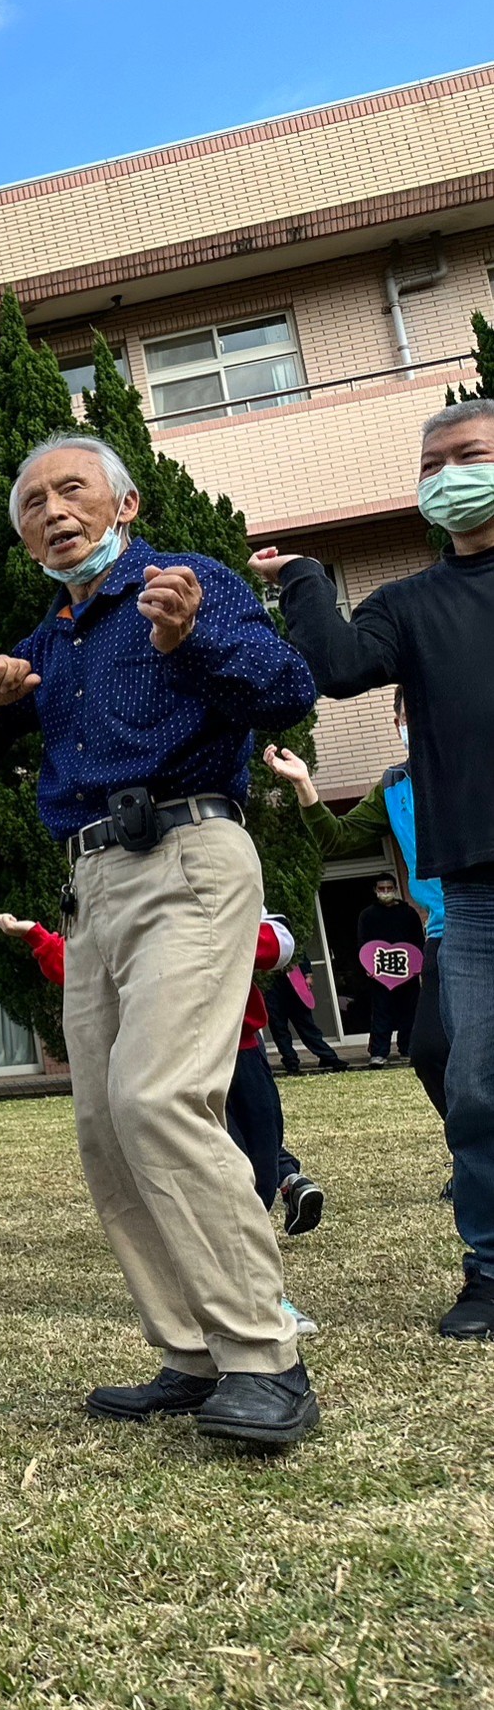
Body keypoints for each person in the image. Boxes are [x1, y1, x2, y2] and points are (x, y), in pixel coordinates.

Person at [0, 432, 319, 1448]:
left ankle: (265, 1355)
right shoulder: (53, 635)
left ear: (127, 504)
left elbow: (286, 692)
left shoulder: (190, 587)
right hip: (91, 884)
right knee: (107, 1128)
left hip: (189, 853)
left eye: (74, 491)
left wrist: (194, 640)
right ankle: (193, 1354)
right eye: (33, 504)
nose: (53, 512)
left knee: (158, 1097)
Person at [256, 399, 494, 1341]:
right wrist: (308, 579)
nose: (445, 474)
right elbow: (340, 668)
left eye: (468, 455)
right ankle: (488, 1267)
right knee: (475, 1086)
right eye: (430, 463)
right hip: (473, 889)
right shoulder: (407, 603)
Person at [0, 910, 327, 1316]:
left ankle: (255, 1264)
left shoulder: (215, 884)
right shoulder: (126, 903)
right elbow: (84, 972)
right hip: (174, 1058)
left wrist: (206, 933)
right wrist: (38, 938)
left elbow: (279, 943)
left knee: (261, 1167)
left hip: (240, 1049)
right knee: (223, 1180)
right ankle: (259, 1298)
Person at [264, 708, 442, 1109]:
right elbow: (337, 839)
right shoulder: (394, 786)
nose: (413, 725)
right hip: (443, 932)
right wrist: (305, 785)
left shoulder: (471, 763)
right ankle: (474, 1157)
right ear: (397, 725)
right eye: (405, 717)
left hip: (483, 914)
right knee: (431, 1052)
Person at [353, 874, 427, 1069]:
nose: (385, 892)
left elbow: (418, 941)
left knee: (410, 1011)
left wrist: (417, 966)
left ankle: (408, 1048)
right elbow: (363, 944)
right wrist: (368, 968)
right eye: (381, 889)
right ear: (375, 890)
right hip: (379, 973)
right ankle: (379, 1052)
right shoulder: (367, 915)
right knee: (381, 1012)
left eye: (388, 888)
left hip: (407, 972)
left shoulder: (408, 913)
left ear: (395, 889)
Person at [263, 965, 348, 1077]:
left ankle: (327, 1056)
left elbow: (299, 951)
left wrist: (307, 974)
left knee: (306, 1025)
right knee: (278, 1027)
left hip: (292, 978)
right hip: (269, 982)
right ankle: (291, 1062)